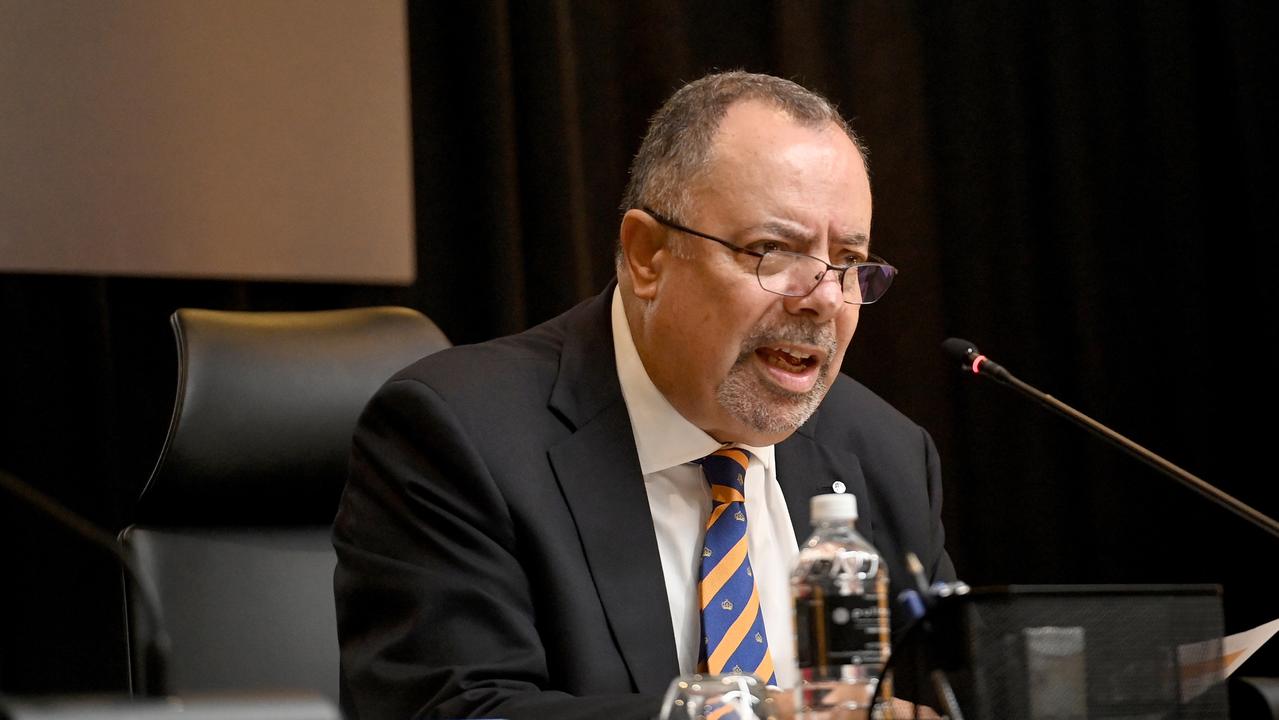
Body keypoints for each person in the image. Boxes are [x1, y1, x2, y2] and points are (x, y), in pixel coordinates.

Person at [333, 70, 954, 720]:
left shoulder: (886, 457)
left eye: (849, 262)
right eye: (773, 251)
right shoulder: (460, 435)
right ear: (647, 255)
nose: (824, 298)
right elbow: (458, 710)